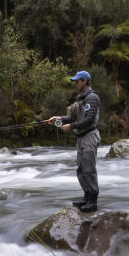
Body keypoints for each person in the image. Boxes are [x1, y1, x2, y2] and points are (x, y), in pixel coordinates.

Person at [48, 70, 101, 213]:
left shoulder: (92, 98)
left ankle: (92, 202)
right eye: (74, 81)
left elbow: (89, 119)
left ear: (85, 81)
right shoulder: (80, 98)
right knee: (81, 169)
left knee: (89, 170)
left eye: (77, 81)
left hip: (89, 137)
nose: (75, 84)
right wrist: (58, 118)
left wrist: (71, 126)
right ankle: (86, 198)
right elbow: (72, 117)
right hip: (81, 138)